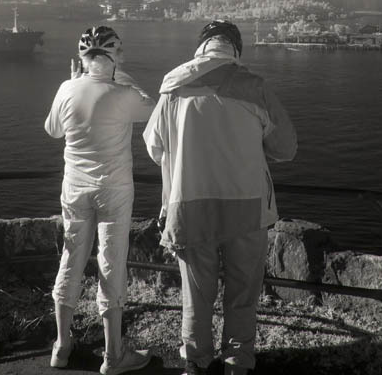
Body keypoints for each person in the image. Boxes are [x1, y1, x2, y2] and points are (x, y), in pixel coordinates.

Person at [143, 20, 297, 375]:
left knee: (196, 296)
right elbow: (286, 148)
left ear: (200, 48)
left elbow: (154, 147)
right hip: (247, 208)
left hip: (189, 206)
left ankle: (196, 362)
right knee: (243, 293)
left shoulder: (173, 89)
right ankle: (237, 364)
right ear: (236, 51)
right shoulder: (254, 87)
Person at [44, 25, 154, 375]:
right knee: (111, 264)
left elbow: (52, 130)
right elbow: (156, 109)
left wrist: (73, 83)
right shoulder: (122, 93)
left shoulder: (66, 88)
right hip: (114, 190)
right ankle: (113, 356)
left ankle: (61, 346)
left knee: (70, 257)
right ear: (115, 57)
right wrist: (124, 76)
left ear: (82, 59)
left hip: (74, 188)